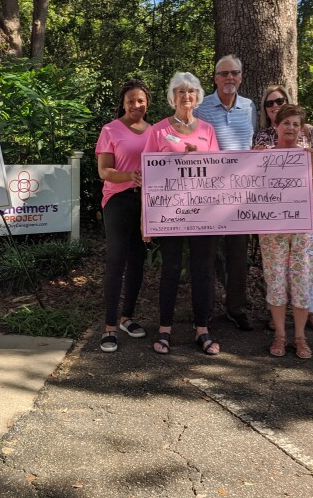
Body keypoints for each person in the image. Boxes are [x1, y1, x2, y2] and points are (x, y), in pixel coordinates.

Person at [143, 72, 221, 355]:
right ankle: (165, 329)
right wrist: (146, 219)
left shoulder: (208, 130)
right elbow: (149, 176)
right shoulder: (159, 131)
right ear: (172, 97)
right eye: (180, 92)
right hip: (169, 213)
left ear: (197, 96)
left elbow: (218, 173)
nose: (186, 96)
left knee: (203, 271)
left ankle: (202, 329)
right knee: (171, 270)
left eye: (191, 91)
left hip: (203, 213)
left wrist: (198, 158)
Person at [253, 84, 313, 333]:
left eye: (296, 124)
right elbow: (247, 187)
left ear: (302, 129)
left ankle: (299, 336)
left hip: (304, 225)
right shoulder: (262, 154)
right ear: (275, 126)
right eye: (285, 123)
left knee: (301, 279)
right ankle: (279, 334)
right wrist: (251, 160)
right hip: (272, 226)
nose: (290, 128)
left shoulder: (310, 155)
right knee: (275, 280)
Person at [193, 54, 257, 331]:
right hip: (209, 193)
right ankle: (204, 310)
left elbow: (251, 143)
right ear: (215, 78)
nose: (229, 78)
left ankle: (236, 308)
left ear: (241, 77)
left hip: (240, 193)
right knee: (205, 254)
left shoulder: (250, 107)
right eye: (224, 74)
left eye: (235, 73)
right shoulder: (201, 107)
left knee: (237, 255)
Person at [95, 79, 152, 352]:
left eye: (140, 100)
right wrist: (130, 176)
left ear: (147, 102)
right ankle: (108, 327)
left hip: (147, 203)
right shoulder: (110, 129)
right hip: (118, 200)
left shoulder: (155, 132)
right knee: (116, 260)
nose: (136, 105)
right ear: (123, 103)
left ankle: (127, 318)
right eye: (130, 100)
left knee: (138, 260)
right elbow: (104, 171)